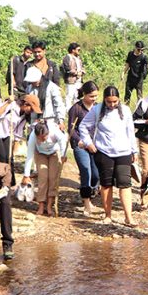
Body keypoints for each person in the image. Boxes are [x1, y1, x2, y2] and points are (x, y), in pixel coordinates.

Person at [79, 85, 138, 226]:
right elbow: (83, 126)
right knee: (106, 184)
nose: (112, 105)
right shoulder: (96, 109)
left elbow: (130, 131)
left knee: (125, 184)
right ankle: (108, 215)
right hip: (104, 152)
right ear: (104, 100)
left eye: (115, 102)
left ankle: (128, 217)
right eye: (109, 102)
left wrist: (133, 150)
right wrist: (88, 143)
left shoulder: (125, 110)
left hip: (123, 152)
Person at [0, 93, 42, 186]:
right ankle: (0, 183)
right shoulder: (11, 106)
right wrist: (8, 102)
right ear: (25, 104)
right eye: (31, 109)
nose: (32, 111)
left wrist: (15, 144)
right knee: (2, 157)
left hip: (6, 133)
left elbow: (18, 131)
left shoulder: (24, 115)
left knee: (9, 158)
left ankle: (10, 182)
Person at [21, 120, 69, 216]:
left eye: (44, 137)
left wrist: (63, 155)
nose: (43, 140)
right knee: (43, 178)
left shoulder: (55, 131)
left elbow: (63, 142)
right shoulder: (32, 137)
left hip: (54, 153)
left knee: (52, 178)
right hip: (40, 154)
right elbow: (29, 156)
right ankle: (41, 205)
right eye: (40, 138)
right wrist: (26, 175)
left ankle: (49, 206)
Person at [67, 81, 100, 215]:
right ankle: (87, 203)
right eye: (91, 96)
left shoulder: (98, 107)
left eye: (96, 96)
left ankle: (90, 194)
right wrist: (79, 140)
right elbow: (71, 128)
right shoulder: (76, 108)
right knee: (86, 172)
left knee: (96, 175)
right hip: (81, 145)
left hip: (96, 145)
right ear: (84, 95)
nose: (94, 99)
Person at [25, 41, 65, 126]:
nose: (37, 54)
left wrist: (60, 119)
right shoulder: (29, 65)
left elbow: (56, 80)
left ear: (44, 51)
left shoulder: (51, 65)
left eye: (39, 52)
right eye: (35, 52)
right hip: (34, 96)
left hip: (48, 97)